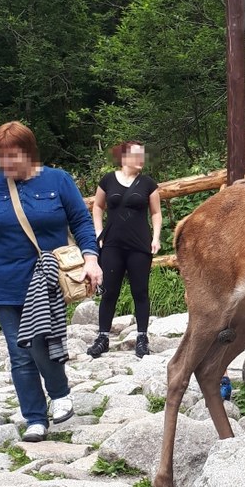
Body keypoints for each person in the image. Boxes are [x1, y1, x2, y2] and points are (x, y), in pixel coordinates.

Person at [0, 121, 102, 442]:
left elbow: (82, 221)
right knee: (19, 353)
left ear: (29, 152)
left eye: (13, 156)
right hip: (4, 282)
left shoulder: (58, 180)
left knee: (41, 343)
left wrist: (91, 258)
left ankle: (59, 393)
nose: (7, 165)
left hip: (46, 281)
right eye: (1, 158)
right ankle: (34, 417)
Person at [88, 141, 161, 359]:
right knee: (109, 292)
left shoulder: (148, 183)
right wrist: (99, 233)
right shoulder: (108, 180)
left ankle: (142, 338)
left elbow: (156, 213)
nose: (141, 159)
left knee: (140, 291)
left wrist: (156, 238)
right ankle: (102, 338)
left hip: (139, 245)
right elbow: (98, 206)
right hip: (112, 244)